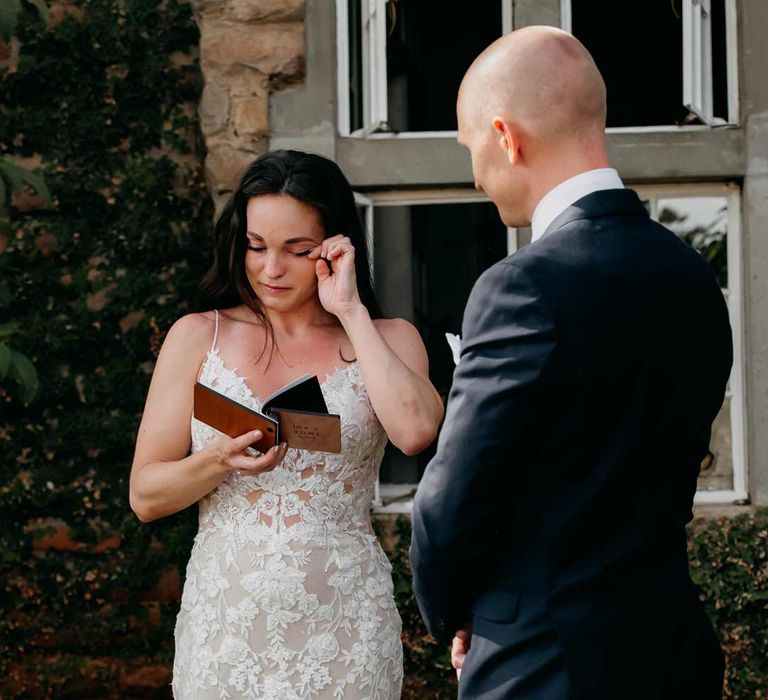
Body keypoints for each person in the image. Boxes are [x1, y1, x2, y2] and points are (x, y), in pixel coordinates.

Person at [410, 26, 732, 700]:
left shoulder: (520, 286)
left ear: (506, 135)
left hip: (544, 663)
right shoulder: (691, 276)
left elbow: (452, 502)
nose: (474, 173)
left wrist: (460, 617)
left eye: (471, 147)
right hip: (673, 654)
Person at [129, 150, 444, 699]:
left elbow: (416, 432)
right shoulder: (196, 335)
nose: (270, 269)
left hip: (345, 629)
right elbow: (145, 496)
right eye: (256, 247)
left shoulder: (389, 337)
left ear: (335, 247)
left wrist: (349, 310)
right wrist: (218, 460)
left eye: (297, 251)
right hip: (226, 627)